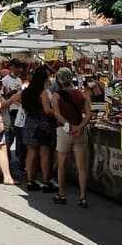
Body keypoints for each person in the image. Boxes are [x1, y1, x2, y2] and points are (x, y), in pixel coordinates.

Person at [50, 66, 92, 206]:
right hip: (79, 132)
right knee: (81, 166)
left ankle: (61, 193)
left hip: (63, 131)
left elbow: (56, 114)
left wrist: (68, 125)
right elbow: (89, 114)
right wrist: (79, 127)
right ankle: (83, 196)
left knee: (62, 164)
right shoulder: (81, 94)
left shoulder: (57, 95)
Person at [21, 65, 57, 193]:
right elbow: (47, 110)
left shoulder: (26, 92)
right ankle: (46, 182)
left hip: (30, 123)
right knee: (44, 154)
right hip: (43, 125)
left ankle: (30, 181)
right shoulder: (43, 93)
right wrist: (57, 113)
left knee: (31, 153)